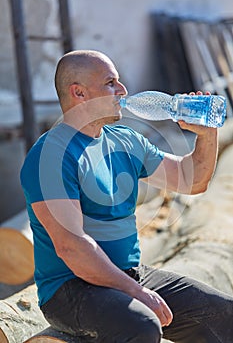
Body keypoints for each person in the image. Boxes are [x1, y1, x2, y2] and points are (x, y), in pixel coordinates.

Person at [20, 50, 233, 343]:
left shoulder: (126, 140)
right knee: (142, 325)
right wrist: (137, 292)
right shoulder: (50, 156)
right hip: (70, 289)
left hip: (129, 274)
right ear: (79, 93)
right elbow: (71, 246)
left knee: (222, 314)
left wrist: (206, 133)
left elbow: (192, 180)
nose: (123, 91)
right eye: (111, 82)